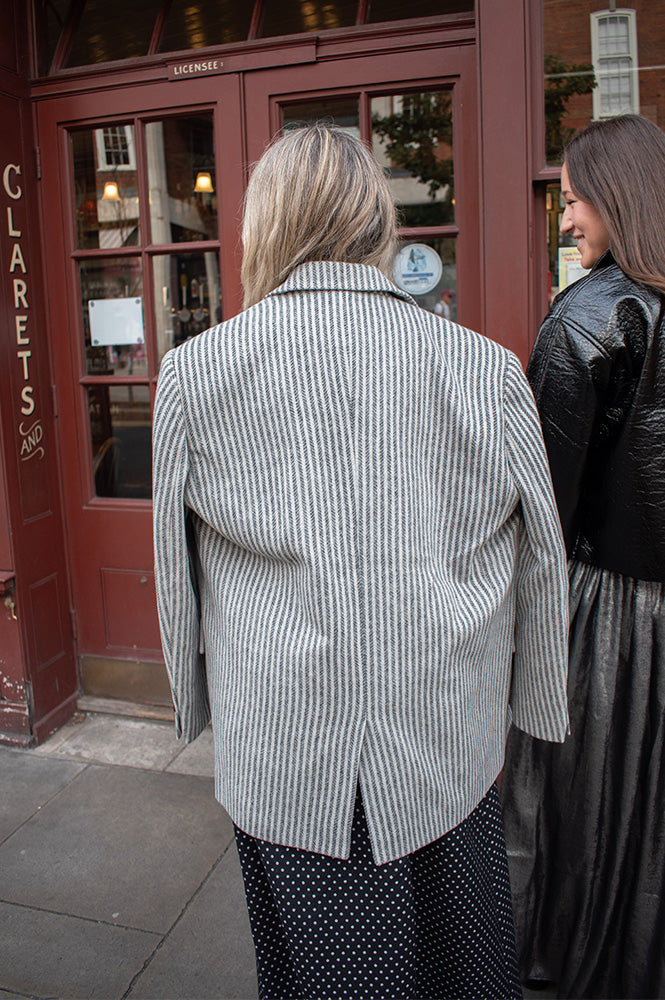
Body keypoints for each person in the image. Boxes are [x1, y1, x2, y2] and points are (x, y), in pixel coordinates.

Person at [152, 123, 569, 1000]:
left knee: (318, 976)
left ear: (265, 224)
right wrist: (534, 701)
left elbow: (173, 565)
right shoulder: (482, 369)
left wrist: (192, 701)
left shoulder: (197, 372)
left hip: (283, 741)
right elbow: (541, 554)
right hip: (446, 731)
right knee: (463, 967)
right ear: (377, 220)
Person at [501, 114, 665, 1000]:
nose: (563, 220)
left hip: (609, 617)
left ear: (619, 196)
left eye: (571, 200)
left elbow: (542, 503)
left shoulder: (588, 316)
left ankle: (568, 958)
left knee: (578, 804)